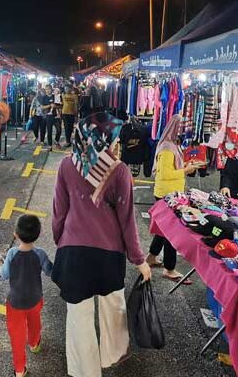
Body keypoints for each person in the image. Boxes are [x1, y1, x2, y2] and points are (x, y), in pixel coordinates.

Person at [52, 112, 151, 377]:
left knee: (78, 320)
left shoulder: (66, 165)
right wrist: (139, 259)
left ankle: (85, 371)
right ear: (105, 139)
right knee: (113, 311)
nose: (118, 143)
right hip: (109, 255)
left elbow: (59, 211)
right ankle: (112, 355)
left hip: (73, 253)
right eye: (115, 138)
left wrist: (61, 239)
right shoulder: (119, 171)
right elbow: (127, 220)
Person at [0, 215, 53, 377]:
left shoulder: (12, 253)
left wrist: (0, 264)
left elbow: (5, 275)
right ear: (38, 234)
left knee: (17, 337)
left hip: (15, 303)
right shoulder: (40, 253)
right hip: (35, 299)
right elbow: (50, 271)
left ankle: (20, 370)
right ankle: (34, 344)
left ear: (16, 235)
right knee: (35, 322)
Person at [146, 115, 196, 283]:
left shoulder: (173, 145)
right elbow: (165, 174)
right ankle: (169, 268)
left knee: (163, 229)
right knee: (171, 233)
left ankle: (152, 257)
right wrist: (186, 170)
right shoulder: (167, 148)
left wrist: (186, 165)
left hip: (170, 193)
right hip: (167, 195)